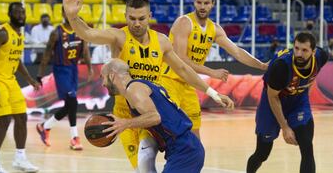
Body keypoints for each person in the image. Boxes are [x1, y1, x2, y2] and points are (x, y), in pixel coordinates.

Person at [63, 0, 233, 171]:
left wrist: (214, 94)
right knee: (141, 169)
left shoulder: (161, 41)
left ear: (150, 15)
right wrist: (72, 17)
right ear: (126, 15)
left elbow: (183, 69)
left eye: (141, 18)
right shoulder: (118, 37)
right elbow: (88, 33)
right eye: (132, 18)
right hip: (123, 113)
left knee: (147, 155)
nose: (136, 23)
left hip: (148, 113)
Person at [161, 0, 268, 139]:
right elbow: (181, 60)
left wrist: (261, 65)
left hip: (189, 83)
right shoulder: (184, 23)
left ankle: (192, 162)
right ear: (194, 2)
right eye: (199, 2)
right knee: (169, 132)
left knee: (195, 133)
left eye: (206, 3)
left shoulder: (215, 29)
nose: (202, 6)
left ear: (213, 4)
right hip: (168, 81)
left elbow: (237, 52)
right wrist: (212, 72)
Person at [100, 59, 233, 173]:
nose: (102, 83)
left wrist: (125, 123)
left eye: (103, 77)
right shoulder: (140, 86)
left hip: (184, 150)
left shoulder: (133, 90)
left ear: (112, 76)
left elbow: (154, 117)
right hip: (181, 148)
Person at [246, 32, 329, 173]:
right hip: (272, 103)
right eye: (296, 48)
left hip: (298, 101)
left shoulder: (321, 57)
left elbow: (312, 75)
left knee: (307, 148)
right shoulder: (281, 67)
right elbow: (272, 97)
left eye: (304, 50)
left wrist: (304, 90)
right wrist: (285, 127)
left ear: (313, 52)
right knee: (262, 153)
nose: (299, 54)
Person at [35, 8, 93, 150]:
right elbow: (47, 54)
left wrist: (90, 68)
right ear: (62, 14)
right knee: (72, 100)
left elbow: (85, 50)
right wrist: (39, 75)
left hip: (73, 69)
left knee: (70, 105)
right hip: (61, 70)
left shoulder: (80, 30)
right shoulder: (56, 33)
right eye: (67, 12)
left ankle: (45, 126)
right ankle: (74, 137)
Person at [0, 2, 40, 173]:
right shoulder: (2, 33)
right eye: (17, 13)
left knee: (22, 117)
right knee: (4, 120)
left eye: (23, 12)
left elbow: (17, 59)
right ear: (10, 15)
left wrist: (30, 79)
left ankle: (20, 159)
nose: (21, 15)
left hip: (11, 79)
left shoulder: (19, 34)